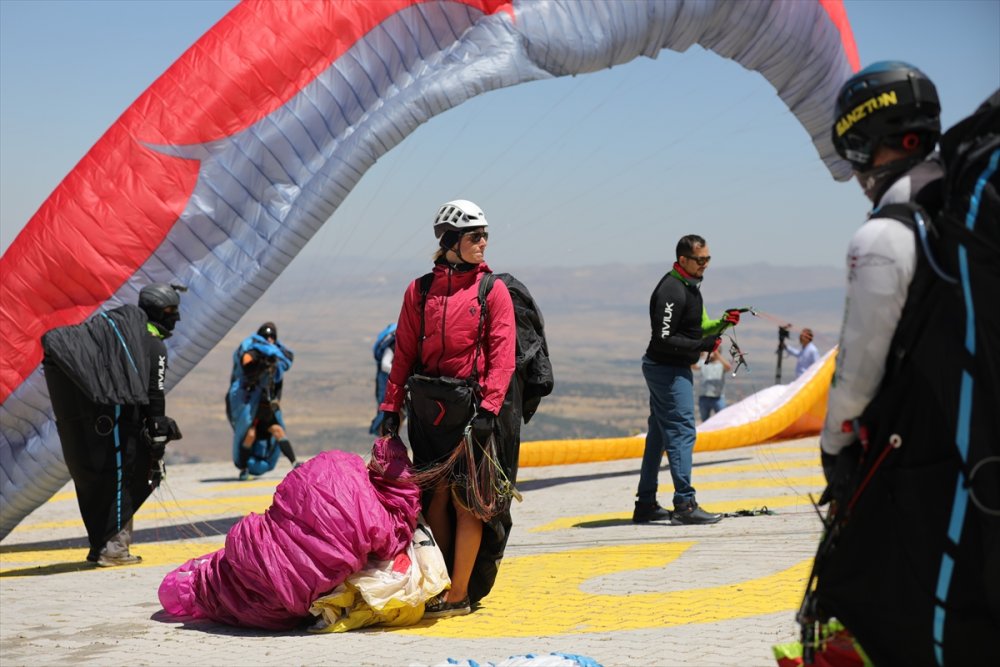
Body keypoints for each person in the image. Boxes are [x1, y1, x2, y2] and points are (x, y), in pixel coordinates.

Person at [807, 62, 999, 665]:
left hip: (924, 460)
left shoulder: (886, 235)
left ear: (863, 141)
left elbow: (857, 372)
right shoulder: (956, 208)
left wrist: (834, 446)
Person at [378, 199, 516, 618]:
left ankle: (459, 594)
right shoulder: (420, 291)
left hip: (471, 411)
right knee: (433, 497)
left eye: (485, 235)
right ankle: (440, 584)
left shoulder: (492, 290)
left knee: (467, 501)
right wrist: (391, 407)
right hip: (428, 411)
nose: (484, 243)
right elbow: (404, 352)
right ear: (451, 240)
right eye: (475, 236)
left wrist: (489, 410)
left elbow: (502, 355)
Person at [41, 283, 184, 566]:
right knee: (123, 483)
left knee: (103, 485)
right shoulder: (152, 344)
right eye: (171, 310)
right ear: (158, 311)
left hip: (96, 428)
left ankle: (101, 547)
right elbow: (155, 393)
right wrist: (157, 433)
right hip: (121, 429)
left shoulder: (127, 338)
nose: (176, 318)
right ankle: (114, 550)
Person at [633, 234, 743, 525]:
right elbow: (664, 338)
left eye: (708, 259)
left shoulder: (691, 287)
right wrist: (703, 345)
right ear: (683, 260)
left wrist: (722, 323)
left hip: (671, 368)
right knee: (682, 432)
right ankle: (685, 504)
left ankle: (645, 505)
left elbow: (701, 327)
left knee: (659, 436)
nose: (705, 264)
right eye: (700, 259)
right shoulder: (671, 290)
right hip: (666, 370)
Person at [227, 322, 298, 480]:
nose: (270, 339)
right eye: (267, 337)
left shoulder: (277, 356)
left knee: (278, 431)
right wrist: (260, 363)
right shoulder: (255, 351)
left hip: (266, 407)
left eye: (272, 336)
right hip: (252, 407)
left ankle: (295, 464)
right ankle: (244, 469)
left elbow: (285, 364)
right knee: (250, 434)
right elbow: (246, 361)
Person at [369, 322, 397, 435]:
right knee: (385, 411)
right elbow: (385, 365)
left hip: (393, 381)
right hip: (386, 381)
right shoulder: (394, 344)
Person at [692, 349, 731, 422]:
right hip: (704, 397)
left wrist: (717, 355)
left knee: (722, 420)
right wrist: (699, 355)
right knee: (705, 421)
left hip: (718, 397)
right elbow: (694, 366)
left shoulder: (721, 364)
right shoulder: (704, 362)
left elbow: (728, 367)